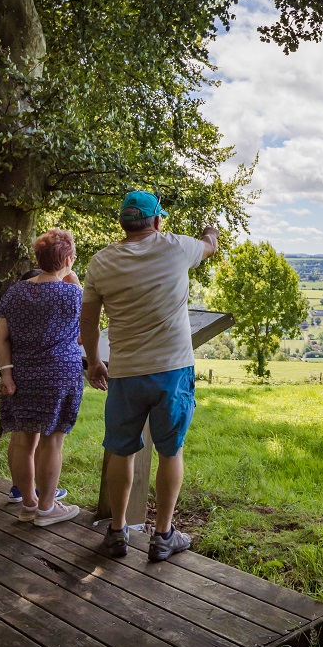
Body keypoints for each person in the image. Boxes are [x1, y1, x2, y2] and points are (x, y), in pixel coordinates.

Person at [81, 191, 218, 560]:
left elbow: (88, 323)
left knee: (121, 451)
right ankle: (163, 535)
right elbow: (210, 246)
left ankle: (117, 532)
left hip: (124, 372)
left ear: (123, 223)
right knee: (171, 451)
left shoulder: (101, 262)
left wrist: (94, 362)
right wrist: (211, 229)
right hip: (172, 371)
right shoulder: (176, 247)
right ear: (157, 221)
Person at [0, 228, 84, 527]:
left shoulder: (15, 292)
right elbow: (83, 335)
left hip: (22, 374)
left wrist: (6, 373)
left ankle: (28, 505)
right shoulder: (73, 294)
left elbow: (1, 337)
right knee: (52, 441)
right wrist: (75, 281)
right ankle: (47, 508)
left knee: (22, 440)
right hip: (60, 375)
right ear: (67, 260)